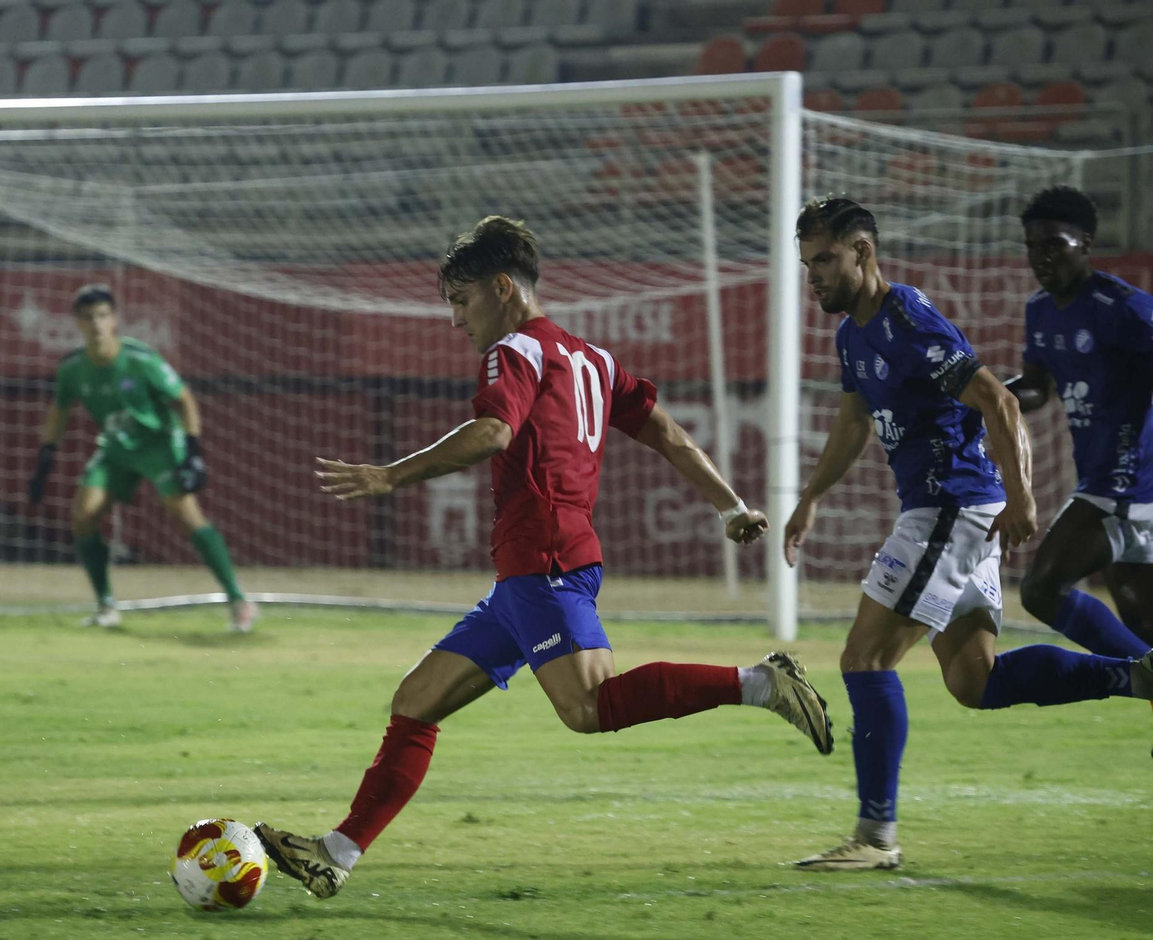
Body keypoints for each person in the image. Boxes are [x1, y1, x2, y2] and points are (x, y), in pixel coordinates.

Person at [254, 215, 835, 901]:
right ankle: (337, 853)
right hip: (530, 573)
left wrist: (389, 476)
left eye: (461, 301)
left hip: (547, 560)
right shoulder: (594, 360)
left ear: (503, 289)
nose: (455, 320)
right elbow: (670, 436)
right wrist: (730, 507)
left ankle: (762, 683)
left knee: (589, 708)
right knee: (415, 700)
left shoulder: (516, 353)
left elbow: (493, 432)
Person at [784, 196, 1152, 872]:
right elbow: (854, 423)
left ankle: (875, 837)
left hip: (950, 508)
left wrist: (1022, 497)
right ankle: (1135, 677)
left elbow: (1000, 400)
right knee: (973, 681)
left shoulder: (910, 321)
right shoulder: (852, 336)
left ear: (863, 253)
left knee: (864, 659)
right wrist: (810, 497)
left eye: (825, 261)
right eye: (808, 265)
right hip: (944, 510)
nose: (814, 278)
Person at [27, 284, 257, 633]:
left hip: (160, 445)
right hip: (117, 449)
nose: (97, 324)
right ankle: (106, 606)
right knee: (84, 515)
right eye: (88, 317)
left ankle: (239, 601)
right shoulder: (72, 368)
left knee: (185, 518)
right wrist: (46, 456)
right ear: (77, 323)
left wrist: (193, 451)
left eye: (103, 315)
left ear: (115, 319)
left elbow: (185, 400)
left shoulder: (141, 360)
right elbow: (59, 411)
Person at [1005, 186, 1153, 658]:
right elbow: (1036, 388)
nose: (1040, 257)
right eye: (1032, 246)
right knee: (1143, 627)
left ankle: (1124, 677)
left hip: (1128, 486)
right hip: (1102, 479)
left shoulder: (1124, 308)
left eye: (1054, 245)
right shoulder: (1040, 310)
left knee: (1041, 589)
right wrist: (981, 394)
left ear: (1085, 243)